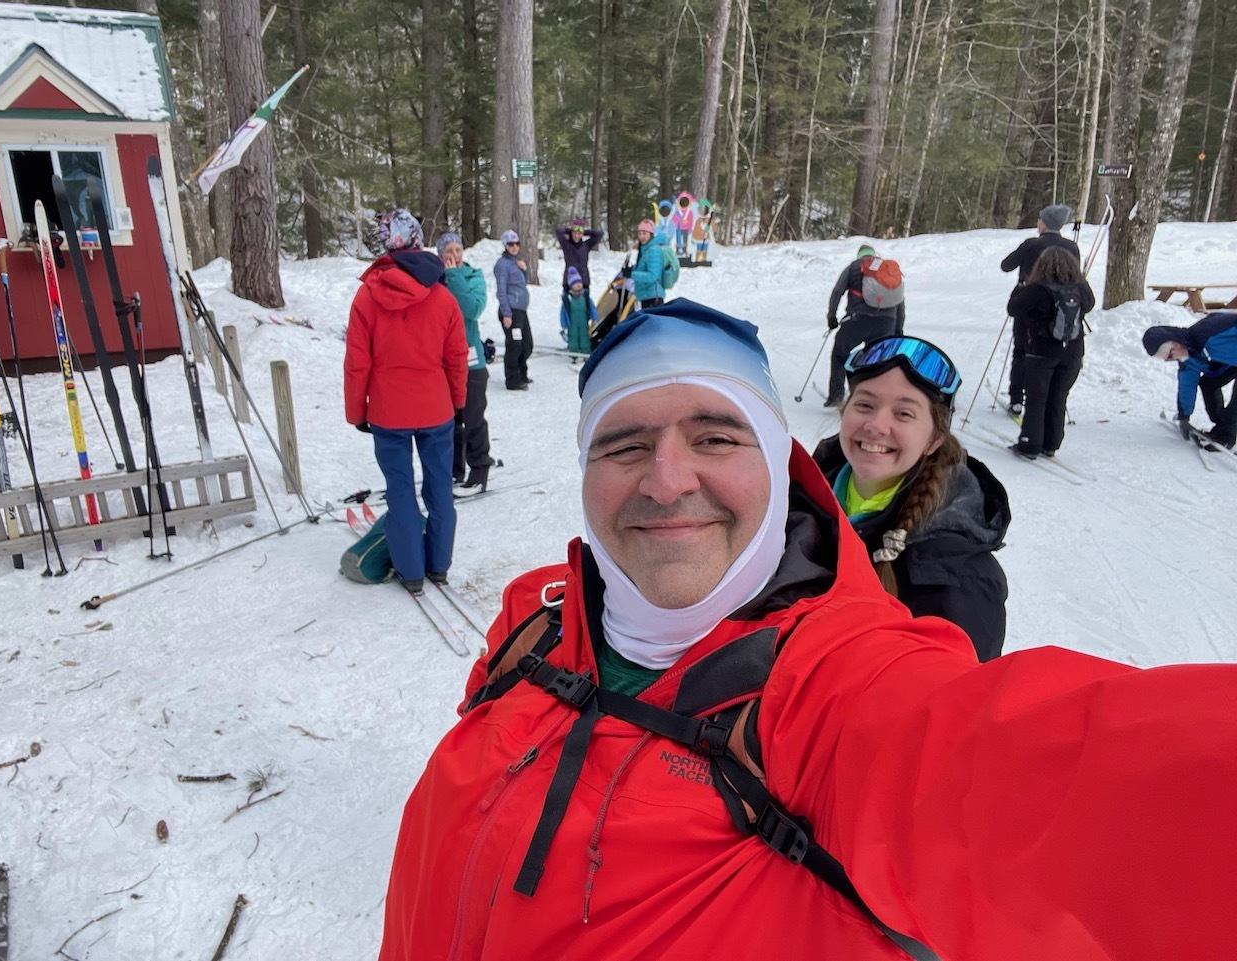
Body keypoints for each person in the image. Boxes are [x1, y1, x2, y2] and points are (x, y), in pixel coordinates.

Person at [377, 299, 1237, 961]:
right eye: (623, 445)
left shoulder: (835, 688)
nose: (666, 479)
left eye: (716, 437)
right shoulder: (536, 619)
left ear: (778, 466)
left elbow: (1056, 776)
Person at [812, 336, 1009, 660]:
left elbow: (955, 688)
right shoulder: (800, 491)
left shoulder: (960, 579)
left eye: (903, 414)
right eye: (865, 405)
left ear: (934, 440)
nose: (877, 425)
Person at [343, 209, 466, 595]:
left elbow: (357, 363)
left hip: (388, 411)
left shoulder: (367, 296)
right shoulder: (442, 296)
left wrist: (357, 412)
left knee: (400, 490)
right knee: (439, 488)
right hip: (436, 409)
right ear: (417, 239)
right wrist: (458, 402)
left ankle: (410, 570)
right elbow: (456, 357)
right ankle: (438, 565)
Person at [1004, 247, 1095, 459]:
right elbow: (1089, 305)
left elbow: (1014, 309)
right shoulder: (1080, 287)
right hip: (1072, 351)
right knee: (1058, 396)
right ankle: (1051, 443)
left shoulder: (1038, 288)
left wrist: (1018, 290)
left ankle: (1030, 444)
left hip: (1042, 351)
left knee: (1036, 398)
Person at [999, 204, 1081, 416]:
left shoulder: (1031, 244)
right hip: (1059, 308)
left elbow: (1006, 265)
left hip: (1028, 303)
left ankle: (1016, 399)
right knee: (1048, 353)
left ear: (1044, 223)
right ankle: (1045, 400)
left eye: (1039, 219)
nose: (1038, 222)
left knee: (1021, 351)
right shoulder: (1071, 247)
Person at [436, 231, 495, 493]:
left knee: (473, 418)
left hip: (472, 363)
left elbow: (472, 309)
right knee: (449, 421)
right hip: (443, 362)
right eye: (448, 252)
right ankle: (454, 470)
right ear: (440, 255)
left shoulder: (473, 276)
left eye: (458, 250)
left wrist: (455, 276)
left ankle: (480, 469)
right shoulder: (434, 280)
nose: (455, 256)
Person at [824, 243, 906, 406]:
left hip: (858, 320)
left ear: (859, 256)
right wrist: (898, 329)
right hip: (886, 323)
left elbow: (837, 291)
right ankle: (873, 399)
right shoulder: (887, 271)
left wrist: (831, 316)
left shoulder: (854, 267)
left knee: (840, 353)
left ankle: (836, 396)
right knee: (875, 361)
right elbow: (899, 302)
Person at [1142, 311, 1237, 449]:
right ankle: (1222, 427)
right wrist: (1184, 417)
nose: (1172, 359)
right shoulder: (1187, 357)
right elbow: (1187, 386)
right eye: (1167, 359)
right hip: (1232, 362)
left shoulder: (1208, 331)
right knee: (1208, 384)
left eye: (1170, 355)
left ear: (1175, 344)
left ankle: (1226, 437)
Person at [494, 229, 533, 391]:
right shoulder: (502, 265)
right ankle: (512, 379)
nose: (515, 247)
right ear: (505, 245)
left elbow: (524, 283)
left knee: (527, 344)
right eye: (511, 244)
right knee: (514, 345)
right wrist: (506, 313)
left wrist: (524, 270)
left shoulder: (516, 263)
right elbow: (501, 290)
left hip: (521, 310)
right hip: (511, 310)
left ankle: (522, 374)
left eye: (517, 244)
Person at [628, 218, 668, 309]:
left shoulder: (654, 250)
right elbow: (644, 269)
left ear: (651, 234)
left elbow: (653, 276)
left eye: (644, 233)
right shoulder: (645, 250)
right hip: (647, 296)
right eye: (640, 234)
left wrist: (632, 274)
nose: (642, 236)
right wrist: (631, 270)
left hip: (654, 298)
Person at [555, 218, 604, 291]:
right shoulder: (566, 244)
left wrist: (585, 231)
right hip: (569, 282)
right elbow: (558, 231)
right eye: (574, 233)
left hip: (583, 281)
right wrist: (569, 230)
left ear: (582, 234)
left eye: (579, 234)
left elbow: (599, 234)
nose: (576, 236)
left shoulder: (586, 245)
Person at [559, 265, 597, 358]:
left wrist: (595, 317)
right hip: (572, 324)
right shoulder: (568, 299)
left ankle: (585, 353)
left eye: (579, 282)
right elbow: (563, 312)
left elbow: (592, 307)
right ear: (571, 285)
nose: (578, 284)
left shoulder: (585, 297)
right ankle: (573, 354)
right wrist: (564, 324)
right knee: (573, 339)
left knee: (584, 337)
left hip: (584, 322)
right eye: (575, 283)